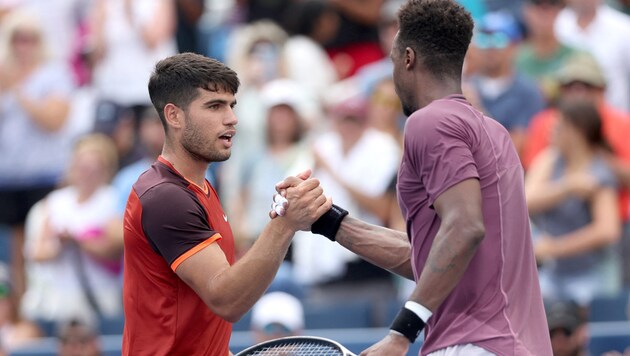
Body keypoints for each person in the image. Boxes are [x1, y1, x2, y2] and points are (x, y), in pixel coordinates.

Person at [275, 1, 552, 354]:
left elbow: (465, 227)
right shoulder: (494, 132)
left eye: (392, 62)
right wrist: (329, 222)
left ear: (408, 58)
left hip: (475, 345)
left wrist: (401, 332)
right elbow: (433, 257)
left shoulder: (429, 121)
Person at [122, 52, 331, 355]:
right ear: (174, 115)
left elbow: (198, 317)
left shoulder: (200, 188)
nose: (231, 118)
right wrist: (285, 223)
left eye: (232, 105)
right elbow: (226, 300)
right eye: (214, 106)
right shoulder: (166, 198)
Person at [526, 99, 621, 306]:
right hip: (554, 274)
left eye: (559, 125)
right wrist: (568, 187)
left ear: (577, 131)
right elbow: (526, 200)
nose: (551, 129)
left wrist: (555, 248)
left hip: (591, 274)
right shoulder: (550, 159)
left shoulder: (599, 172)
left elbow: (607, 231)